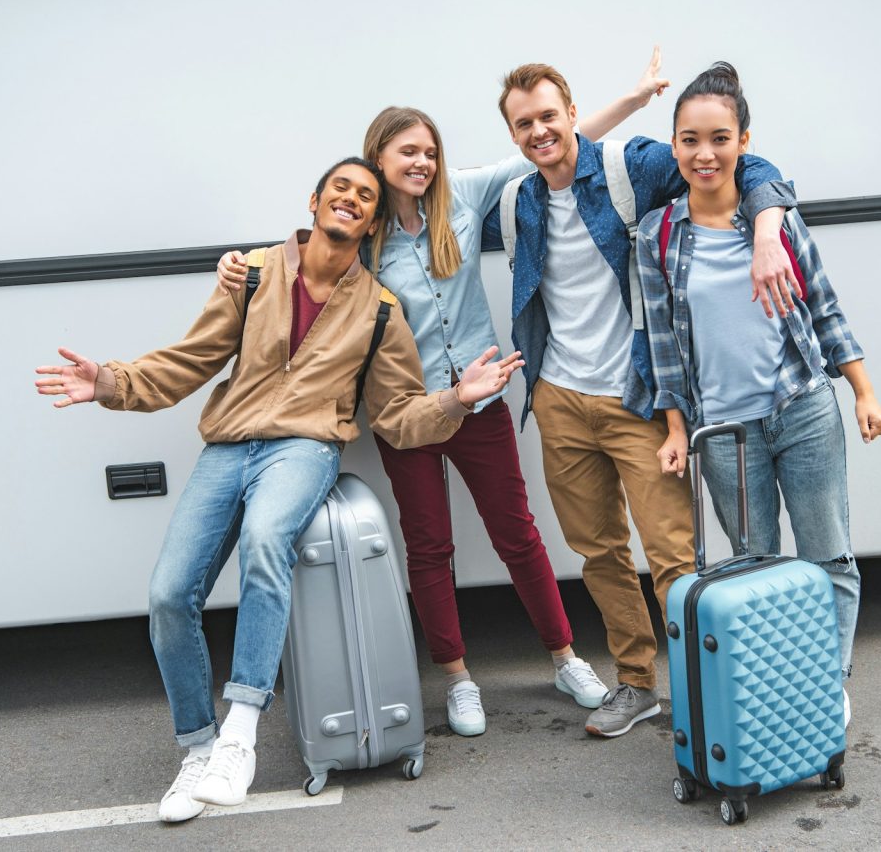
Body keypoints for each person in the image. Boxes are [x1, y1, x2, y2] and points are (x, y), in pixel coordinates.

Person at [34, 158, 523, 822]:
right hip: (229, 446)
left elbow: (399, 415)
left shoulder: (380, 310)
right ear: (316, 200)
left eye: (366, 197)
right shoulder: (256, 273)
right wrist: (111, 383)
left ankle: (240, 733)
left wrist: (456, 400)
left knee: (268, 540)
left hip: (305, 447)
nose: (351, 200)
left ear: (373, 221)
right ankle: (198, 750)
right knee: (170, 594)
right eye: (340, 188)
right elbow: (193, 358)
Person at [217, 49, 672, 738]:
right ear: (380, 157)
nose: (423, 163)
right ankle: (457, 678)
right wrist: (235, 265)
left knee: (519, 535)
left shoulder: (462, 196)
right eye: (408, 153)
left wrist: (635, 100)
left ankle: (565, 657)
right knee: (429, 548)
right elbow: (298, 259)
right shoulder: (361, 233)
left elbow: (556, 148)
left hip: (481, 400)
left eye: (429, 151)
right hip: (409, 415)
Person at [482, 62, 798, 738]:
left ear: (571, 110)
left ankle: (698, 688)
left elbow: (736, 159)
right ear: (513, 133)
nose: (540, 131)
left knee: (672, 555)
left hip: (638, 395)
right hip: (561, 399)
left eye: (548, 116)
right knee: (597, 552)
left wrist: (769, 224)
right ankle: (636, 684)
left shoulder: (631, 167)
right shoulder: (518, 201)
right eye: (524, 123)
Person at [636, 62, 881, 726]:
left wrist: (863, 392)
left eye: (719, 138)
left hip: (802, 409)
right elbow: (662, 341)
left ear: (744, 142)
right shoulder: (657, 237)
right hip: (724, 433)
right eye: (689, 140)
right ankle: (779, 687)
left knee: (827, 555)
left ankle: (826, 686)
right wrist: (672, 428)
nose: (704, 153)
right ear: (675, 146)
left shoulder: (773, 220)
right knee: (756, 567)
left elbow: (825, 310)